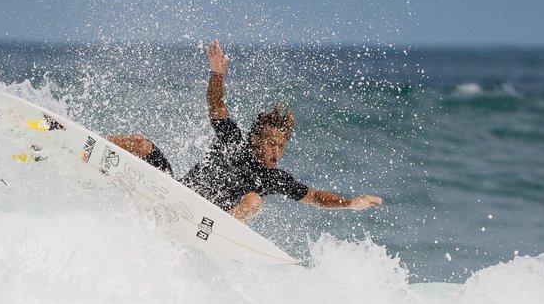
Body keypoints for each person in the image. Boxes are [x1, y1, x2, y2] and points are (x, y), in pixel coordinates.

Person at [108, 39, 382, 222]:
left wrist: (349, 203)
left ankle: (223, 227)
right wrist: (216, 75)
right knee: (140, 143)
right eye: (271, 143)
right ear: (256, 139)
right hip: (176, 194)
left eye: (281, 145)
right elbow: (216, 106)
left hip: (207, 219)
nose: (277, 151)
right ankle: (88, 146)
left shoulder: (274, 178)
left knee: (254, 200)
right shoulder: (233, 141)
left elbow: (314, 196)